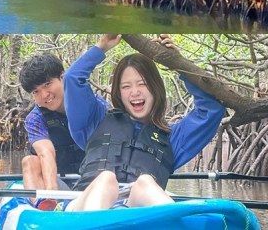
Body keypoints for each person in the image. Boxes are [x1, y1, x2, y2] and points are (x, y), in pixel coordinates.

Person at [61, 34, 225, 212]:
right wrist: (101, 47)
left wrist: (178, 64)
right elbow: (73, 79)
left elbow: (211, 110)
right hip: (83, 207)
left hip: (136, 213)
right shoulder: (94, 120)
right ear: (119, 93)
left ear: (155, 88)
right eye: (126, 87)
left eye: (143, 84)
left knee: (145, 183)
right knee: (106, 179)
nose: (135, 92)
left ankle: (176, 221)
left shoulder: (172, 138)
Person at [19, 54, 84, 209]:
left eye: (47, 84)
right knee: (29, 161)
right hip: (60, 184)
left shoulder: (90, 105)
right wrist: (52, 193)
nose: (44, 95)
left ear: (62, 77)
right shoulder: (35, 118)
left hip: (94, 180)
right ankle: (48, 206)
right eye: (36, 91)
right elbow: (45, 153)